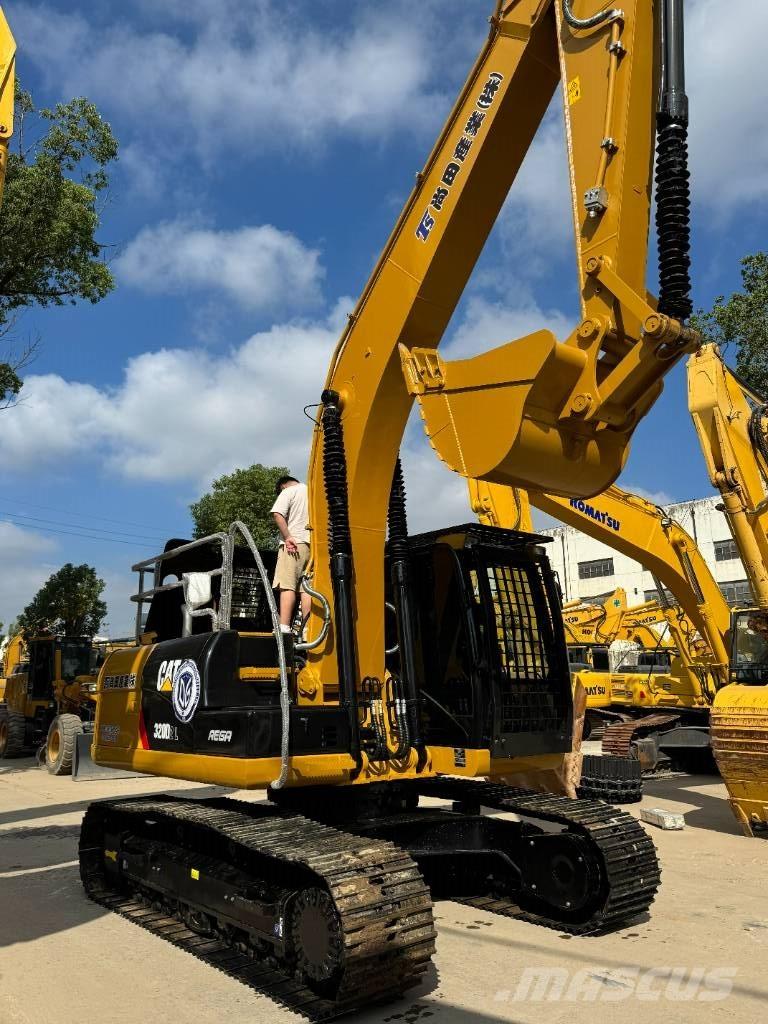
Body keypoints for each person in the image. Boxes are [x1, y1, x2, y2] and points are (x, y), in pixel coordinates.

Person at [271, 475, 311, 633]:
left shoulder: (288, 491)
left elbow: (277, 514)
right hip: (313, 546)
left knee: (287, 584)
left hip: (294, 543)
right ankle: (307, 628)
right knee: (306, 587)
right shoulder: (312, 492)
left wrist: (288, 537)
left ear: (283, 486)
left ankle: (284, 627)